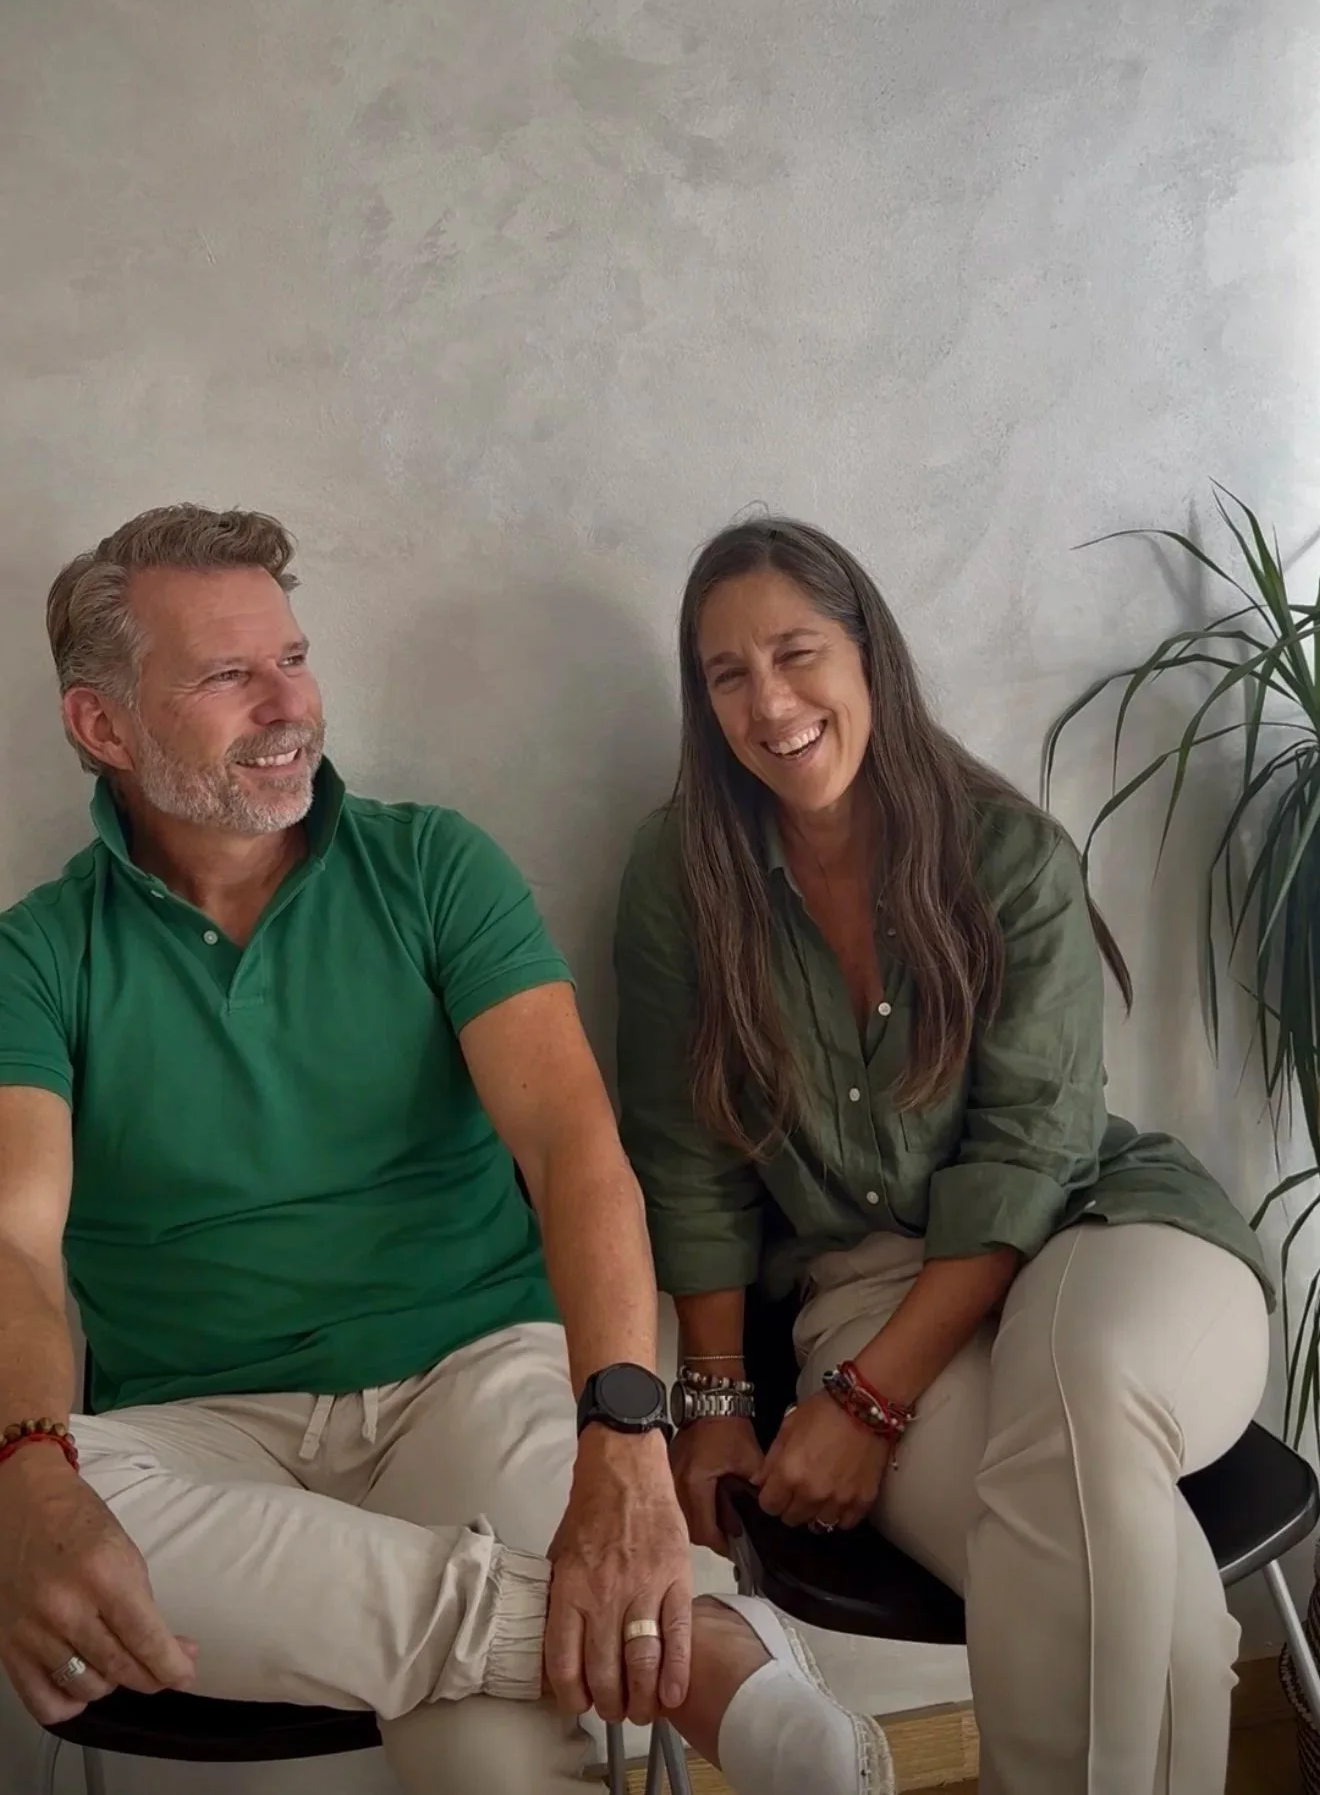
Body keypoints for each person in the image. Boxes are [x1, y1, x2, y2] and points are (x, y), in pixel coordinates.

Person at [0, 504, 893, 1795]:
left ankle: (572, 1631)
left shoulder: (431, 866)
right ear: (103, 726)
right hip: (202, 1424)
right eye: (229, 674)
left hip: (472, 1372)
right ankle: (693, 1646)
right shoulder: (35, 957)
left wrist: (623, 1429)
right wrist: (30, 1467)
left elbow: (574, 1146)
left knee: (486, 1759)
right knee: (34, 1503)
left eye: (293, 658)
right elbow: (16, 1245)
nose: (289, 705)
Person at [615, 515, 1274, 1795]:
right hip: (861, 1281)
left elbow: (1034, 1151)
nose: (770, 702)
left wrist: (866, 1403)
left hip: (1100, 1229)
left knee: (1083, 1386)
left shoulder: (1006, 852)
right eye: (727, 673)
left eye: (798, 653)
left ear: (869, 653)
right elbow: (687, 1156)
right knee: (1133, 1590)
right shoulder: (680, 877)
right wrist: (717, 1403)